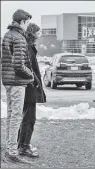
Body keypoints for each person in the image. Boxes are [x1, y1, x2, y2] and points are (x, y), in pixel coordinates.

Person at [1, 9, 34, 163]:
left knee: (10, 116)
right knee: (16, 117)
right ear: (22, 22)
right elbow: (18, 65)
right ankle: (12, 153)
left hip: (8, 81)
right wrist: (30, 74)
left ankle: (9, 149)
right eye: (27, 22)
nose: (28, 25)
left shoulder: (7, 35)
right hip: (17, 82)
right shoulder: (19, 38)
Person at [17, 23, 46, 157]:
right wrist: (35, 81)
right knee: (29, 118)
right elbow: (28, 68)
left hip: (29, 86)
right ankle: (24, 146)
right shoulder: (28, 47)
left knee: (26, 117)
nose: (39, 35)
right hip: (30, 87)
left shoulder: (29, 46)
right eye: (38, 32)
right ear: (32, 33)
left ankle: (21, 144)